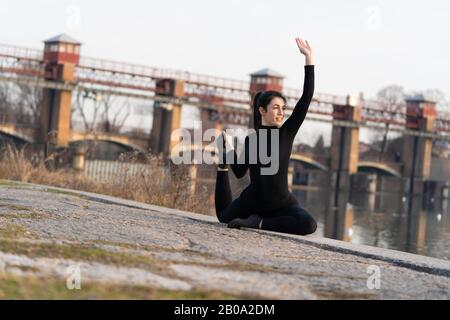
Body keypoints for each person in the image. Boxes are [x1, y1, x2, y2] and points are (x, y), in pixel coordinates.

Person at [214, 37, 317, 236]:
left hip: (282, 203)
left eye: (283, 108)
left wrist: (309, 59)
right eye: (276, 108)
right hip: (253, 200)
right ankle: (257, 219)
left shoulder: (286, 133)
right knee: (224, 217)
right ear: (262, 110)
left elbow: (306, 98)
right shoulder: (252, 140)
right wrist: (225, 155)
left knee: (308, 224)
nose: (281, 112)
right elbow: (238, 171)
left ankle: (259, 223)